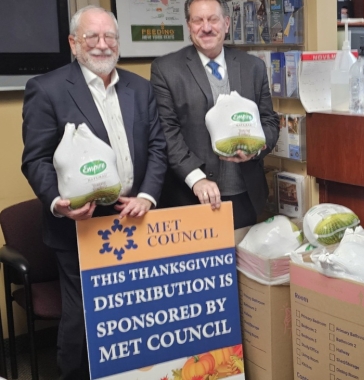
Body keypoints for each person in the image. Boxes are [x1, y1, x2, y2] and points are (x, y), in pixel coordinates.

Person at [20, 5, 167, 379]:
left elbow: (157, 149)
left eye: (110, 37)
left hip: (134, 220)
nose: (102, 45)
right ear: (74, 43)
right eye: (92, 37)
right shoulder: (47, 89)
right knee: (84, 320)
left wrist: (147, 196)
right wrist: (58, 203)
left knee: (134, 316)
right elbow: (35, 159)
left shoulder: (141, 87)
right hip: (78, 229)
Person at [151, 0, 279, 229]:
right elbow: (167, 132)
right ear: (189, 26)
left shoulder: (253, 67)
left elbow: (269, 121)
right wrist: (196, 178)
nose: (206, 27)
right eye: (198, 20)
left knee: (242, 264)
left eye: (213, 19)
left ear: (227, 23)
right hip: (191, 196)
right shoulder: (166, 69)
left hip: (245, 194)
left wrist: (255, 149)